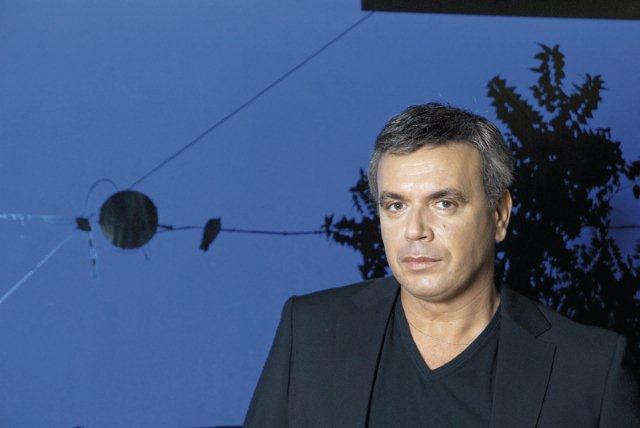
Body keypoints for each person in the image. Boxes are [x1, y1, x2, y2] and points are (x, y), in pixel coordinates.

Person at [243, 103, 640, 427]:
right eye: (396, 206)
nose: (415, 230)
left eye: (444, 203)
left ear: (499, 215)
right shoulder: (309, 331)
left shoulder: (589, 369)